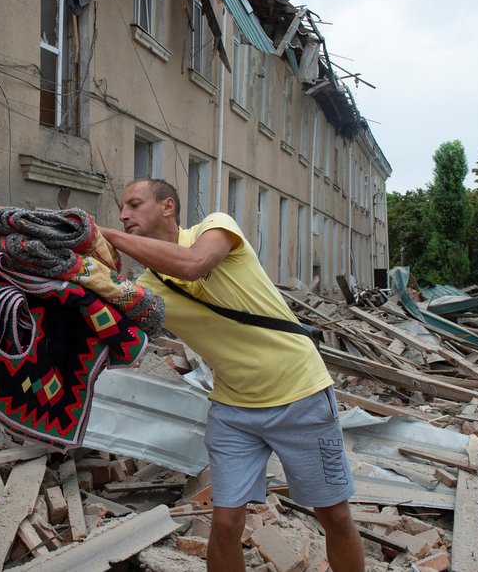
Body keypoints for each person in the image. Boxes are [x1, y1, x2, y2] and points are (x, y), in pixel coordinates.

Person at [99, 179, 364, 572]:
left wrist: (107, 236)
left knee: (335, 515)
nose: (123, 215)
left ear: (168, 206)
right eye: (121, 210)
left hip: (300, 394)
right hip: (234, 409)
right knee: (224, 522)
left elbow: (192, 265)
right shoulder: (144, 291)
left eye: (134, 205)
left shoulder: (216, 228)